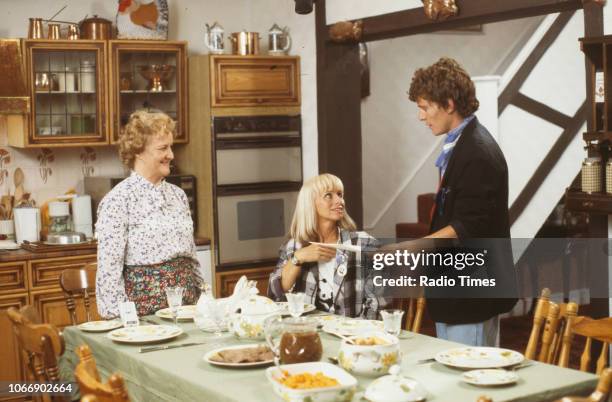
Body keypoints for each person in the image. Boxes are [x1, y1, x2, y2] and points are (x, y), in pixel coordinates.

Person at [400, 57, 517, 346]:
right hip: (457, 292)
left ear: (449, 104)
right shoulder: (462, 142)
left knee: (470, 381)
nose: (421, 116)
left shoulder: (478, 152)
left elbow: (467, 226)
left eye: (425, 107)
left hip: (471, 296)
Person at [95, 110, 202, 319]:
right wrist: (125, 323)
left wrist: (205, 301)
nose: (171, 155)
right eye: (163, 148)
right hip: (145, 318)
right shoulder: (117, 201)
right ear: (139, 151)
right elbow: (109, 274)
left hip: (188, 311)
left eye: (171, 147)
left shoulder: (178, 195)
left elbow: (192, 259)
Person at [268, 173, 386, 319]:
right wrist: (298, 257)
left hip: (353, 335)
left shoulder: (363, 243)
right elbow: (276, 295)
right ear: (310, 203)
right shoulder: (293, 246)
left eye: (340, 194)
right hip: (308, 332)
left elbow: (378, 300)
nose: (339, 201)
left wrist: (357, 332)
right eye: (329, 195)